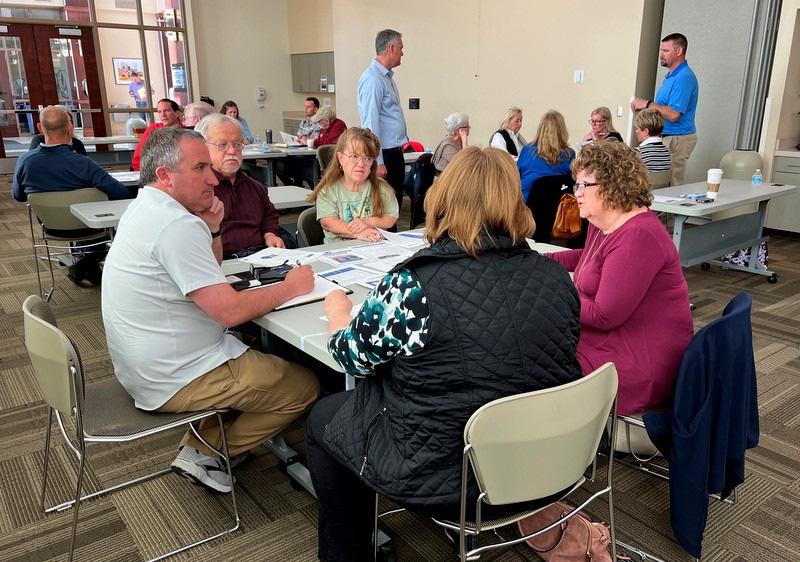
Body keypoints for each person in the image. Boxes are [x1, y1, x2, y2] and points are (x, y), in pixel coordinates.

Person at [306, 146, 582, 561]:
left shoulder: (413, 286)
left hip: (447, 479)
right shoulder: (556, 276)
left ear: (443, 199)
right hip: (548, 462)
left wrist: (337, 312)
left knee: (325, 417)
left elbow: (351, 358)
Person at [101, 127, 319, 494]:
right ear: (165, 175)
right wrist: (292, 286)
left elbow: (208, 272)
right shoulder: (175, 224)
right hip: (176, 374)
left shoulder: (147, 208)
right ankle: (208, 453)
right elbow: (230, 312)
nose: (213, 179)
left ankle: (205, 441)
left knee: (258, 353)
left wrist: (215, 229)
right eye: (200, 168)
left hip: (148, 362)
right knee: (304, 386)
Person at [546, 142, 693, 416]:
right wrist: (539, 262)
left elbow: (604, 315)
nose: (577, 193)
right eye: (577, 184)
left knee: (537, 361)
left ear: (612, 185)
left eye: (584, 185)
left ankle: (564, 432)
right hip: (615, 340)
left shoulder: (638, 236)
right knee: (536, 347)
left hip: (637, 359)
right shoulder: (604, 224)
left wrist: (551, 293)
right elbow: (588, 258)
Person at [13, 106, 128, 286]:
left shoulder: (25, 162)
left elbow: (18, 196)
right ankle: (88, 262)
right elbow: (121, 193)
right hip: (90, 227)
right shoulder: (84, 164)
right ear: (70, 128)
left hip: (51, 226)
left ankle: (84, 264)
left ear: (40, 128)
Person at [195, 113, 290, 258]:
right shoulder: (197, 191)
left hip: (261, 256)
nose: (232, 151)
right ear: (203, 148)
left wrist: (269, 234)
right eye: (222, 145)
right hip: (221, 261)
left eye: (237, 144)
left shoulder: (255, 188)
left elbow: (269, 215)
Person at [308, 127, 399, 243]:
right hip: (339, 249)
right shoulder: (328, 190)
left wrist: (368, 222)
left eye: (367, 158)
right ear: (340, 158)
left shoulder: (382, 188)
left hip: (374, 246)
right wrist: (358, 233)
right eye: (354, 156)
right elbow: (328, 223)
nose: (361, 164)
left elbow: (390, 218)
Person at [631, 33, 698, 186]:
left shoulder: (684, 78)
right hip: (666, 136)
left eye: (666, 51)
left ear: (679, 51)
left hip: (677, 138)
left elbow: (674, 114)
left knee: (671, 185)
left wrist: (646, 104)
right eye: (661, 50)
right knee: (656, 183)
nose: (661, 55)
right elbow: (663, 108)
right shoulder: (671, 76)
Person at [357, 29, 409, 207]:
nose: (402, 53)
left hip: (393, 151)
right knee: (386, 208)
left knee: (394, 205)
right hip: (384, 154)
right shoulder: (373, 79)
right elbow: (370, 123)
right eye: (401, 48)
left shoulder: (385, 77)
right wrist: (377, 161)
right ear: (391, 48)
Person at [517, 110, 575, 201]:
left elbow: (516, 176)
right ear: (562, 130)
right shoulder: (569, 154)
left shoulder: (527, 151)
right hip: (558, 205)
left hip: (529, 205)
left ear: (541, 129)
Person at [130, 98, 181, 171]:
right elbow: (138, 157)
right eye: (159, 112)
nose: (163, 115)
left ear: (177, 113)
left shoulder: (186, 131)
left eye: (166, 111)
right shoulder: (153, 129)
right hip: (152, 171)